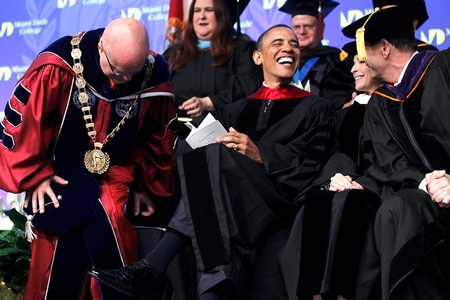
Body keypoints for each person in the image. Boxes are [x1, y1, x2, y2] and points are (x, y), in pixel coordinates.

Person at [89, 24, 336, 300]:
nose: (288, 48)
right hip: (229, 197)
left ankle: (154, 266)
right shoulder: (234, 110)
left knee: (216, 156)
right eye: (277, 43)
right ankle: (208, 288)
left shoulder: (318, 108)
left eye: (294, 44)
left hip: (276, 197)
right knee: (197, 153)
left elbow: (311, 164)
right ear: (257, 57)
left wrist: (261, 153)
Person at [0, 18, 177, 300]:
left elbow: (156, 136)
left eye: (133, 72)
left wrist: (144, 182)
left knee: (115, 236)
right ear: (101, 46)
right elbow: (27, 124)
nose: (125, 81)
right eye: (117, 71)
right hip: (58, 169)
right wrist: (34, 174)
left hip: (116, 173)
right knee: (55, 250)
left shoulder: (152, 76)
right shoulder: (58, 65)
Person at [331, 6, 450, 299]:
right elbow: (387, 163)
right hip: (430, 198)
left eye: (363, 53)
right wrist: (428, 184)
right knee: (396, 208)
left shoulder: (444, 66)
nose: (358, 63)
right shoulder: (380, 104)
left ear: (384, 49)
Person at [279, 41, 384, 300]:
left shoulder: (398, 107)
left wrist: (364, 182)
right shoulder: (343, 113)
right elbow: (329, 152)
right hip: (338, 182)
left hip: (377, 188)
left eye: (361, 61)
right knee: (319, 202)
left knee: (349, 205)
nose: (353, 69)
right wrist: (335, 177)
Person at [164, 0, 263, 121]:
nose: (201, 16)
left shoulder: (242, 50)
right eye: (197, 11)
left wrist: (208, 103)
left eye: (209, 10)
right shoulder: (174, 53)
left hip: (226, 130)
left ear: (223, 15)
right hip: (177, 131)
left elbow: (248, 87)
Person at [279, 0, 355, 109]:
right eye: (296, 27)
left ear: (321, 27)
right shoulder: (284, 61)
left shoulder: (336, 60)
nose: (302, 31)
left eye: (308, 26)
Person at [372, 0, 439, 51]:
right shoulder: (372, 52)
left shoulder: (428, 54)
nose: (389, 22)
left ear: (414, 23)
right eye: (384, 16)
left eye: (395, 16)